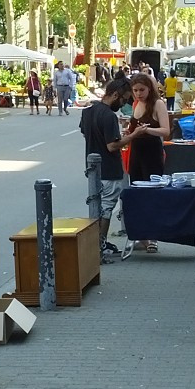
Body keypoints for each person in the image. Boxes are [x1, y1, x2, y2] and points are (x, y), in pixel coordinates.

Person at [80, 78, 134, 261]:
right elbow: (112, 146)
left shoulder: (88, 111)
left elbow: (85, 132)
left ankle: (97, 245)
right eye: (124, 99)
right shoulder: (109, 116)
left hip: (93, 169)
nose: (124, 104)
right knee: (106, 208)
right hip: (110, 168)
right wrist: (134, 135)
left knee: (97, 206)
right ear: (116, 95)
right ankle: (99, 246)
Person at [126, 73, 171, 254]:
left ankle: (153, 236)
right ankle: (141, 235)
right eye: (135, 90)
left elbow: (166, 130)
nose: (138, 94)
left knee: (152, 193)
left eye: (142, 90)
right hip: (136, 151)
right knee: (137, 193)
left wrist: (147, 130)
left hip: (151, 152)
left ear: (149, 88)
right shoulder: (136, 104)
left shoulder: (157, 104)